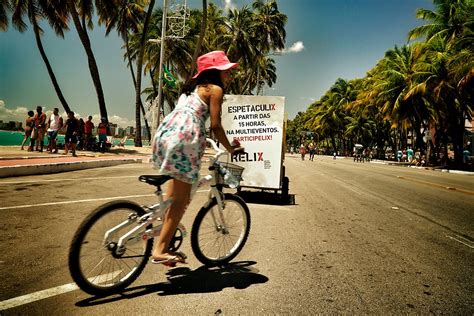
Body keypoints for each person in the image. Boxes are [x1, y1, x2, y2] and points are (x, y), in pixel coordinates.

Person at [150, 51, 243, 265]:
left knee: (172, 200)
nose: (228, 75)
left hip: (167, 134)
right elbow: (215, 126)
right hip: (186, 138)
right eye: (226, 71)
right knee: (180, 201)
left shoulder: (192, 91)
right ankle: (160, 249)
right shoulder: (215, 89)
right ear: (216, 71)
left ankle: (166, 239)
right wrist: (230, 148)